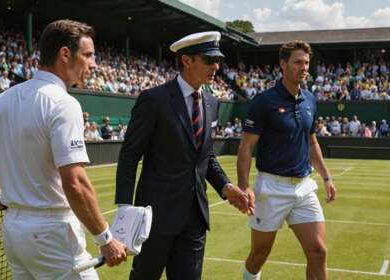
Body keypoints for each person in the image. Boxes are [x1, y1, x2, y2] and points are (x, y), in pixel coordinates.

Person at [0, 19, 127, 279]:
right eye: (88, 55)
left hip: (14, 232)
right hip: (52, 234)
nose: (93, 64)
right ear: (65, 54)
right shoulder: (64, 104)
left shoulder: (3, 100)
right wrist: (105, 238)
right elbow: (76, 183)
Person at [115, 31, 250, 280]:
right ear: (187, 61)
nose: (216, 67)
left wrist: (226, 186)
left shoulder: (211, 103)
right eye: (209, 60)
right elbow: (129, 155)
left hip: (195, 218)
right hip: (155, 217)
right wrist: (124, 208)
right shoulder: (154, 100)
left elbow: (205, 157)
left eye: (217, 61)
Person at [237, 40, 337, 280]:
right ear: (283, 65)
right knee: (260, 253)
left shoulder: (310, 100)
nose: (304, 67)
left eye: (307, 63)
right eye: (298, 62)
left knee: (318, 252)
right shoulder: (264, 101)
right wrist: (244, 186)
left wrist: (326, 177)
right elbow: (246, 147)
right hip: (271, 187)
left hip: (304, 187)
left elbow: (312, 142)